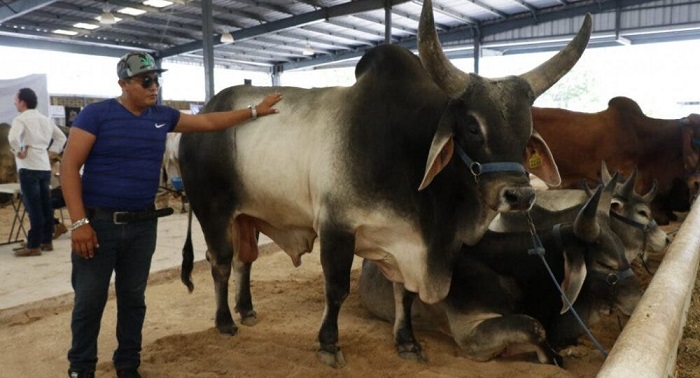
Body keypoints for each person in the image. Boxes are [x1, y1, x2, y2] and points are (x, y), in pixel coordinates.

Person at [61, 52, 283, 378]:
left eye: (157, 79)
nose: (155, 86)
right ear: (124, 84)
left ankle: (128, 365)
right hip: (99, 226)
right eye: (146, 81)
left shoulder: (162, 116)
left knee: (134, 300)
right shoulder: (96, 115)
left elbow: (207, 122)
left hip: (142, 226)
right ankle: (81, 369)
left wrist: (254, 111)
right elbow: (68, 167)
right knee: (89, 302)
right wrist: (79, 223)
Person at [8, 87, 67, 257]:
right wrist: (51, 151)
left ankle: (34, 245)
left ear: (23, 102)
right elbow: (61, 137)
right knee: (45, 205)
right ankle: (46, 241)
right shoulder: (45, 119)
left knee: (33, 207)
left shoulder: (21, 119)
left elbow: (12, 138)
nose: (14, 103)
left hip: (28, 166)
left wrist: (19, 150)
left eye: (16, 100)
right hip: (43, 165)